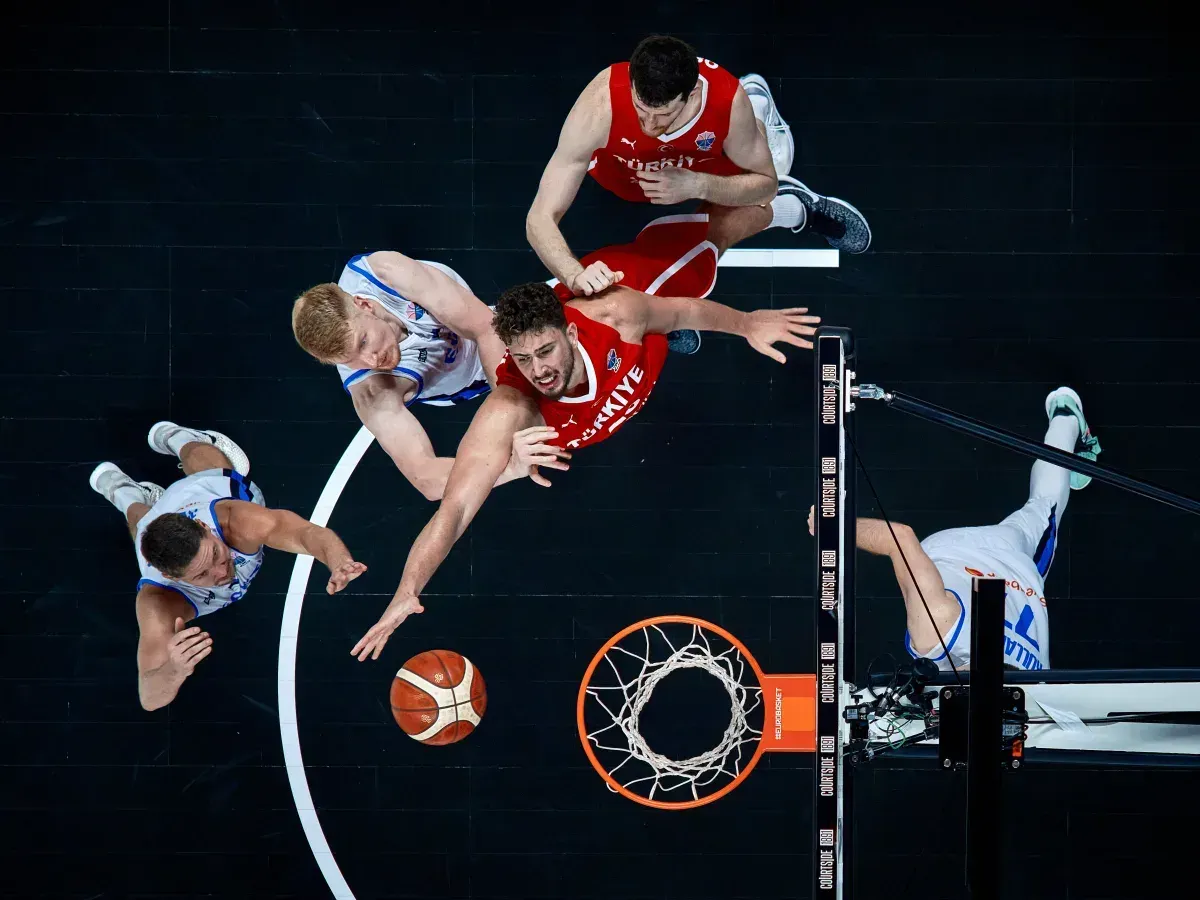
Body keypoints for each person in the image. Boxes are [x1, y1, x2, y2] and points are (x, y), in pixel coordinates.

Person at [350, 209, 822, 661]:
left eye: (546, 352)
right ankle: (662, 337)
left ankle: (788, 205)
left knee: (706, 251)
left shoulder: (616, 313)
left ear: (571, 334)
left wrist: (747, 324)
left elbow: (684, 312)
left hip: (637, 288)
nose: (539, 371)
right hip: (631, 363)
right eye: (523, 359)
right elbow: (453, 511)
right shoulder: (510, 408)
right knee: (654, 328)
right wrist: (408, 589)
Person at [526, 33, 872, 298]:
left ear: (691, 94)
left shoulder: (724, 101)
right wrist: (573, 274)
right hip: (622, 176)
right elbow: (539, 217)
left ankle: (794, 200)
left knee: (735, 210)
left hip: (704, 166)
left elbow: (765, 186)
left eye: (663, 114)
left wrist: (697, 184)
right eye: (640, 109)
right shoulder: (600, 104)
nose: (649, 125)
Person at [810, 388, 1102, 672]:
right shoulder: (936, 628)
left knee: (1045, 503)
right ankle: (1065, 417)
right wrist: (834, 526)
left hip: (995, 555)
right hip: (1003, 557)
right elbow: (898, 538)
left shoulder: (1036, 684)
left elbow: (900, 538)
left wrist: (834, 525)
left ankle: (1066, 414)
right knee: (1044, 503)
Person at [89, 421, 366, 710]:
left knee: (213, 466)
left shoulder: (237, 520)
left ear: (204, 527)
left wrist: (339, 561)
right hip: (158, 532)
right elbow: (149, 696)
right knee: (141, 523)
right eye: (202, 574)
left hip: (199, 490)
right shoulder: (158, 599)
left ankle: (177, 437)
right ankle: (123, 493)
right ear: (171, 576)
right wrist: (174, 669)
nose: (222, 573)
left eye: (215, 555)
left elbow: (306, 534)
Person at [292, 251, 561, 500]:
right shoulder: (372, 393)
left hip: (488, 322)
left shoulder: (384, 273)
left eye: (363, 343)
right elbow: (427, 479)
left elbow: (485, 328)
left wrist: (514, 423)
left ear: (363, 304)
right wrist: (511, 466)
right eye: (350, 360)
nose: (371, 361)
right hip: (473, 378)